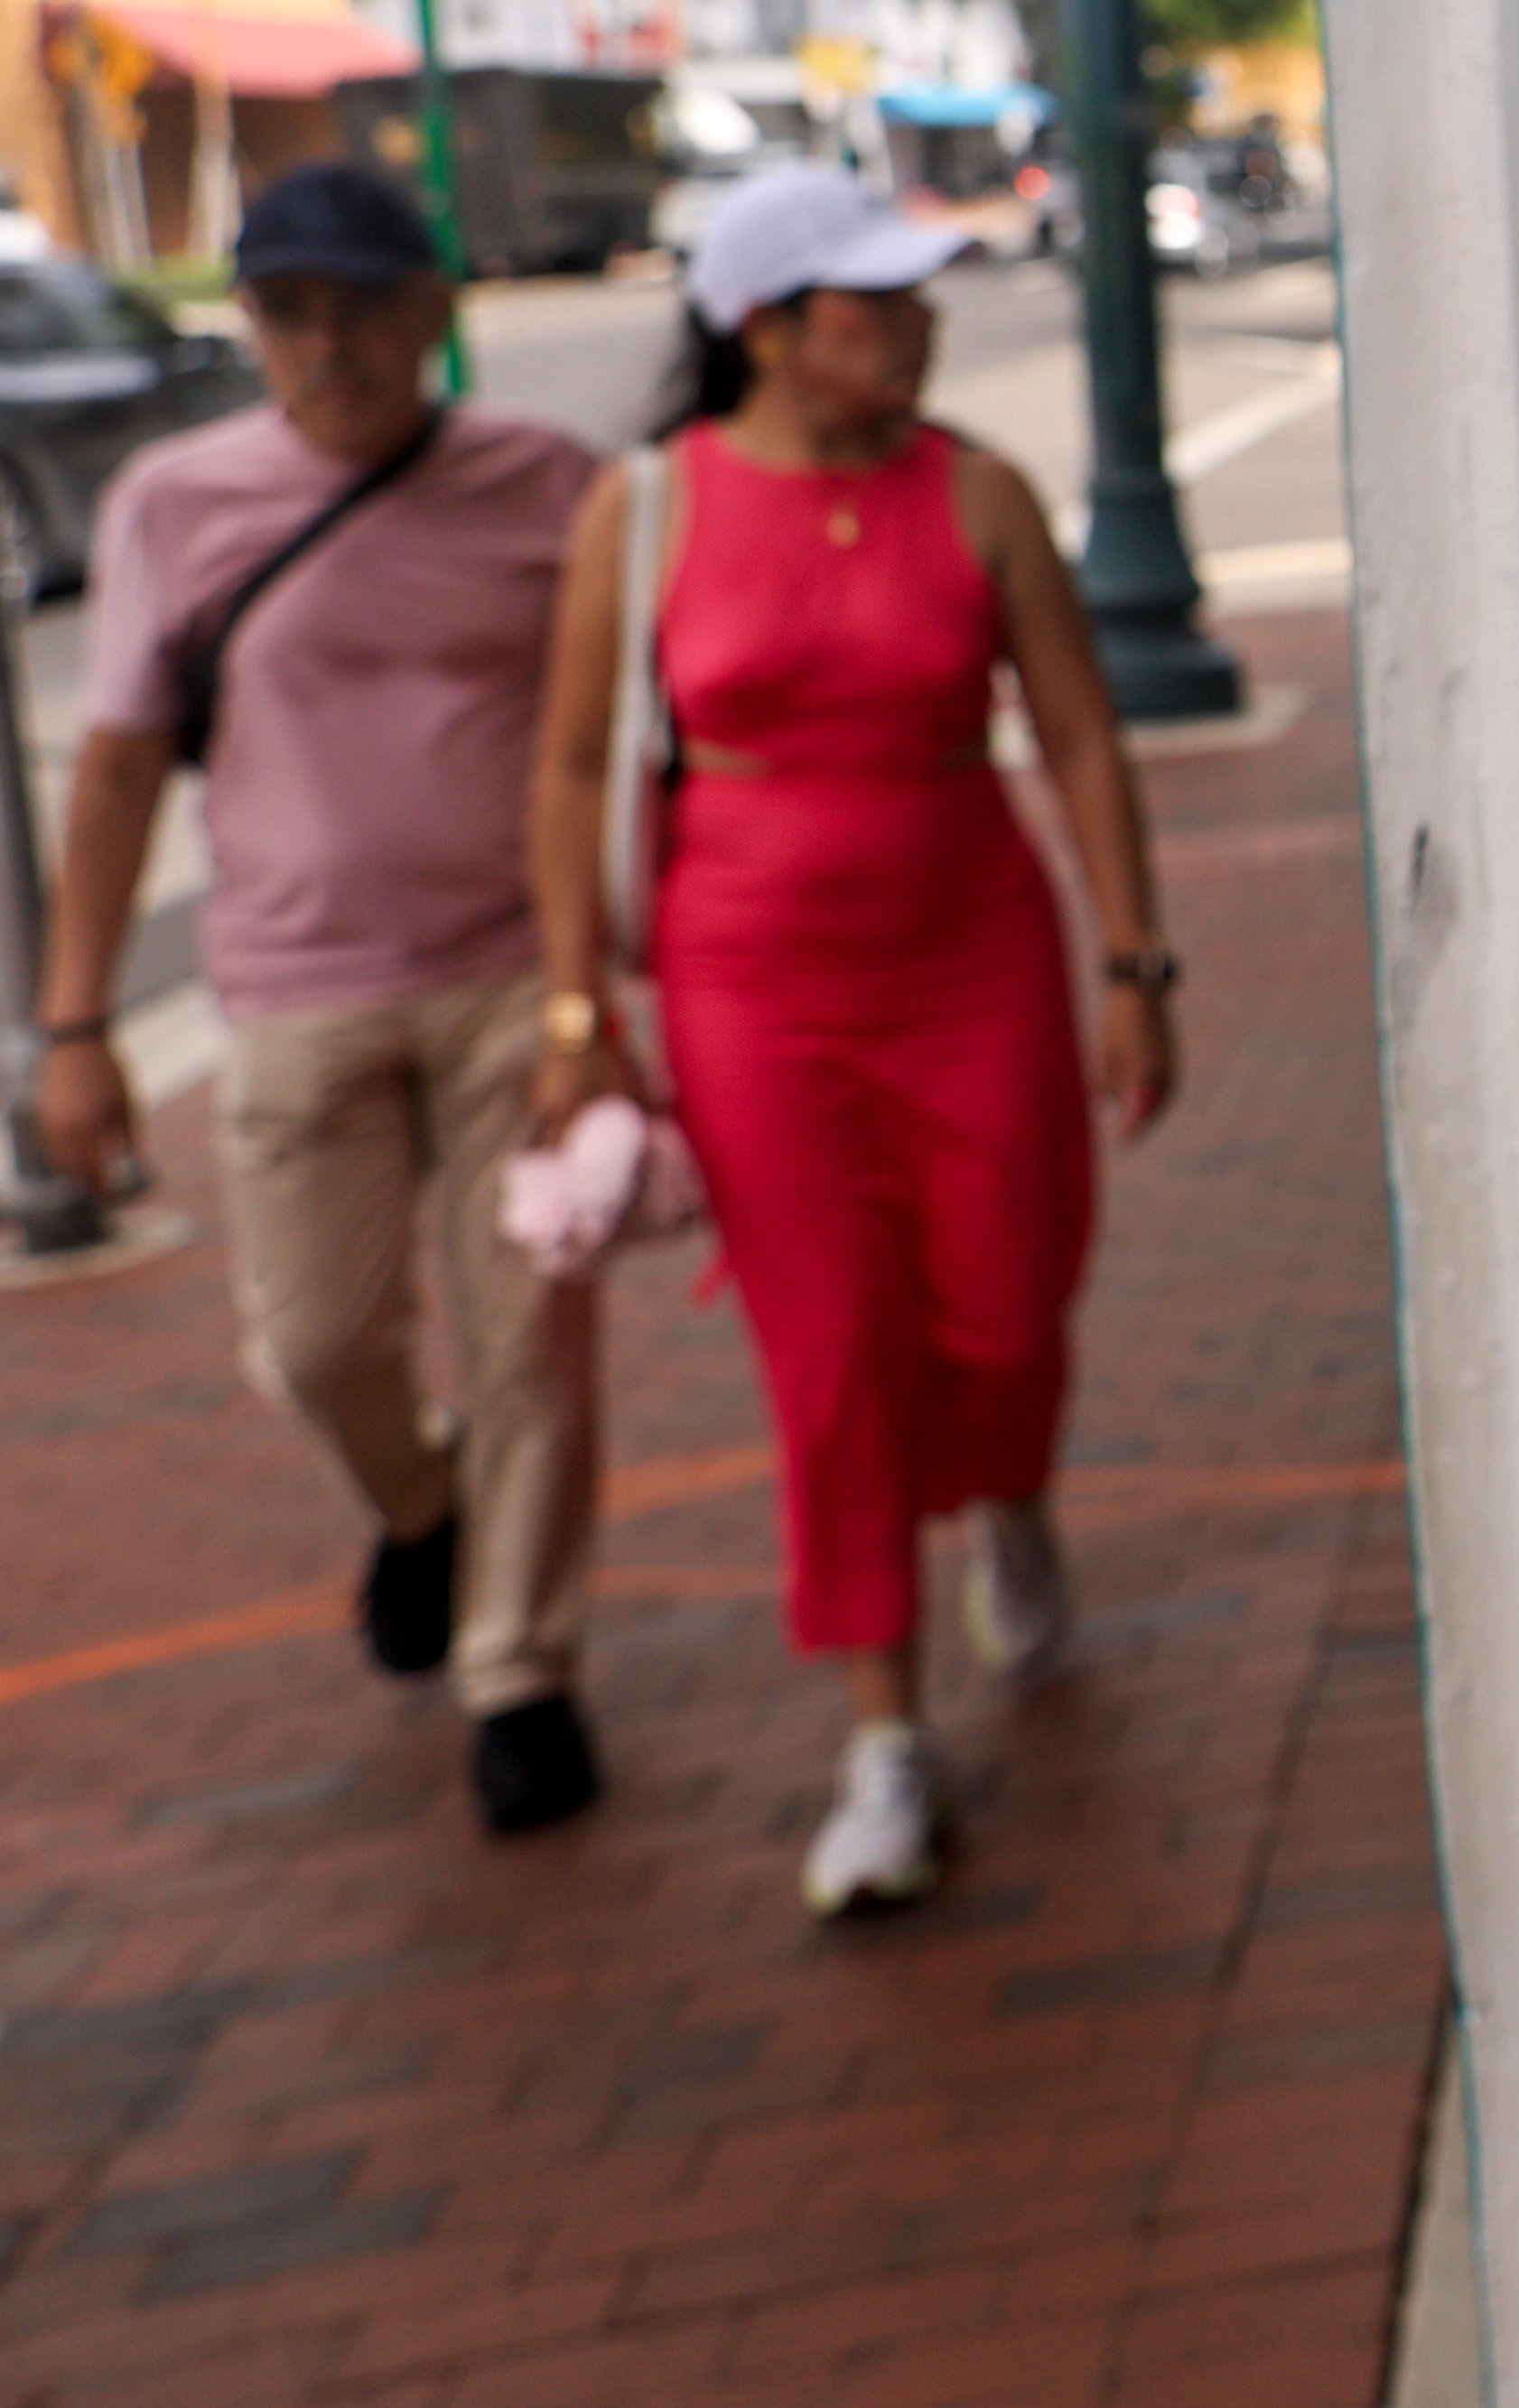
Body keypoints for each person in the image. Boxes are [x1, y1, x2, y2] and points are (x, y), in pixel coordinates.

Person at [524, 167, 1181, 1916]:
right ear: (765, 329)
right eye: (870, 302)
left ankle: (1012, 1487)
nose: (914, 324)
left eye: (916, 298)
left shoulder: (980, 498)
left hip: (973, 959)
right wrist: (580, 1011)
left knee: (1006, 1291)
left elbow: (1084, 738)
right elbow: (576, 766)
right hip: (751, 990)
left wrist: (1137, 961)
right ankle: (886, 1737)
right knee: (829, 1357)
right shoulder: (648, 510)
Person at [27, 164, 606, 1834]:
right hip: (297, 988)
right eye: (287, 311)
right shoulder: (172, 502)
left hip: (517, 977)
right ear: (252, 326)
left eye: (362, 306)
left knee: (535, 1357)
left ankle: (522, 1671)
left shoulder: (549, 485)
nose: (326, 345)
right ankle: (419, 1509)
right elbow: (123, 765)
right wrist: (77, 1030)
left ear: (433, 315)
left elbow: (611, 749)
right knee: (315, 1344)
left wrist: (605, 990)